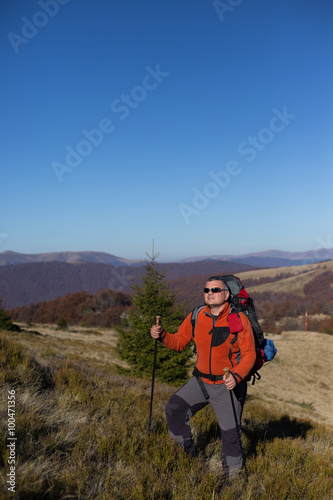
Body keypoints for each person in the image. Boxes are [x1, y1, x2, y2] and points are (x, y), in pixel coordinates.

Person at [150, 275, 256, 478]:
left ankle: (233, 479)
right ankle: (186, 457)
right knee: (174, 410)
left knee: (231, 435)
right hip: (201, 382)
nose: (210, 294)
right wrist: (163, 335)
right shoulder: (197, 315)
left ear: (226, 294)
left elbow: (249, 354)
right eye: (207, 290)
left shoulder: (238, 319)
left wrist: (236, 375)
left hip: (228, 385)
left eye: (215, 290)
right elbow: (180, 341)